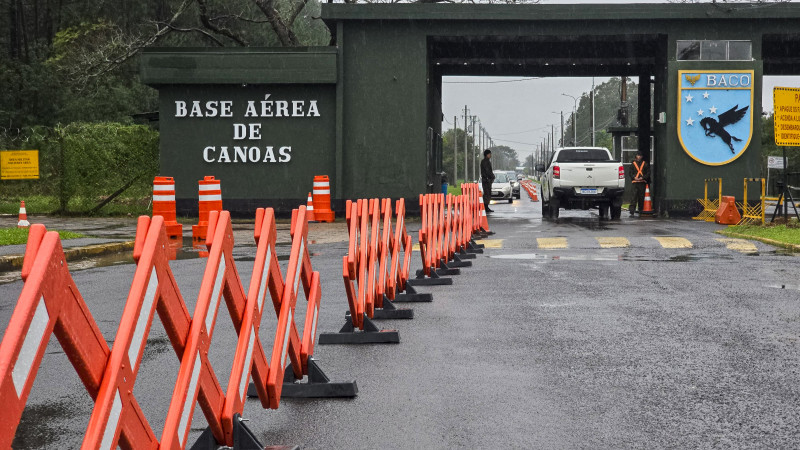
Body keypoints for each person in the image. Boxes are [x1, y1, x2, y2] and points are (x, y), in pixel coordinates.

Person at [628, 151, 650, 216]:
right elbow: (630, 173)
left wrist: (642, 178)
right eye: (638, 155)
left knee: (641, 197)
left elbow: (648, 173)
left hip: (642, 183)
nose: (639, 157)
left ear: (642, 157)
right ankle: (632, 212)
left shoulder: (645, 164)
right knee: (633, 197)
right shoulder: (633, 164)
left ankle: (641, 210)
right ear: (636, 156)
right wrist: (634, 177)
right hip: (635, 183)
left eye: (640, 156)